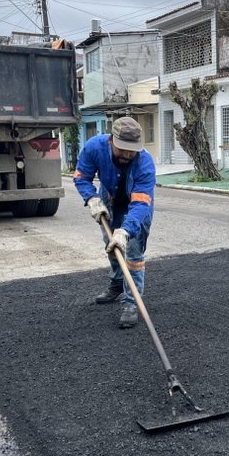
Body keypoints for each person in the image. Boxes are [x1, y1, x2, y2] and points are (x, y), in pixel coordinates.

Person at [73, 116, 156, 329]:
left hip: (136, 206)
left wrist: (126, 231)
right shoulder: (94, 147)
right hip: (109, 200)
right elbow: (81, 177)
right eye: (123, 149)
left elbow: (140, 204)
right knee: (111, 245)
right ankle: (118, 282)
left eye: (132, 151)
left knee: (133, 253)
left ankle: (131, 302)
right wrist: (91, 198)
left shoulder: (145, 163)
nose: (127, 155)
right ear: (111, 140)